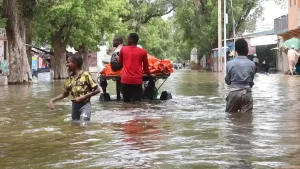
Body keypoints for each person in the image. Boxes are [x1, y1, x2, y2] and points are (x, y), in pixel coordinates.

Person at [48, 54, 100, 121]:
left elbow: (97, 90)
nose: (66, 64)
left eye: (68, 62)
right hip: (75, 107)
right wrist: (52, 100)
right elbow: (65, 94)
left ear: (75, 63)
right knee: (75, 126)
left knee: (83, 124)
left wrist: (83, 97)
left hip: (85, 106)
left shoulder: (86, 75)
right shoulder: (70, 78)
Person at [118, 33, 152, 103]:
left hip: (125, 81)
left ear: (131, 40)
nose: (127, 40)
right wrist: (150, 75)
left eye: (128, 39)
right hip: (137, 81)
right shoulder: (143, 51)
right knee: (137, 104)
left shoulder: (123, 49)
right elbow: (146, 68)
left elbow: (120, 63)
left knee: (126, 104)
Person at [225, 38, 256, 113]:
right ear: (246, 49)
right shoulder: (252, 64)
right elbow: (251, 82)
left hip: (233, 93)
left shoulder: (229, 64)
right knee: (247, 119)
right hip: (246, 94)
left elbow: (227, 80)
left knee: (230, 117)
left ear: (236, 50)